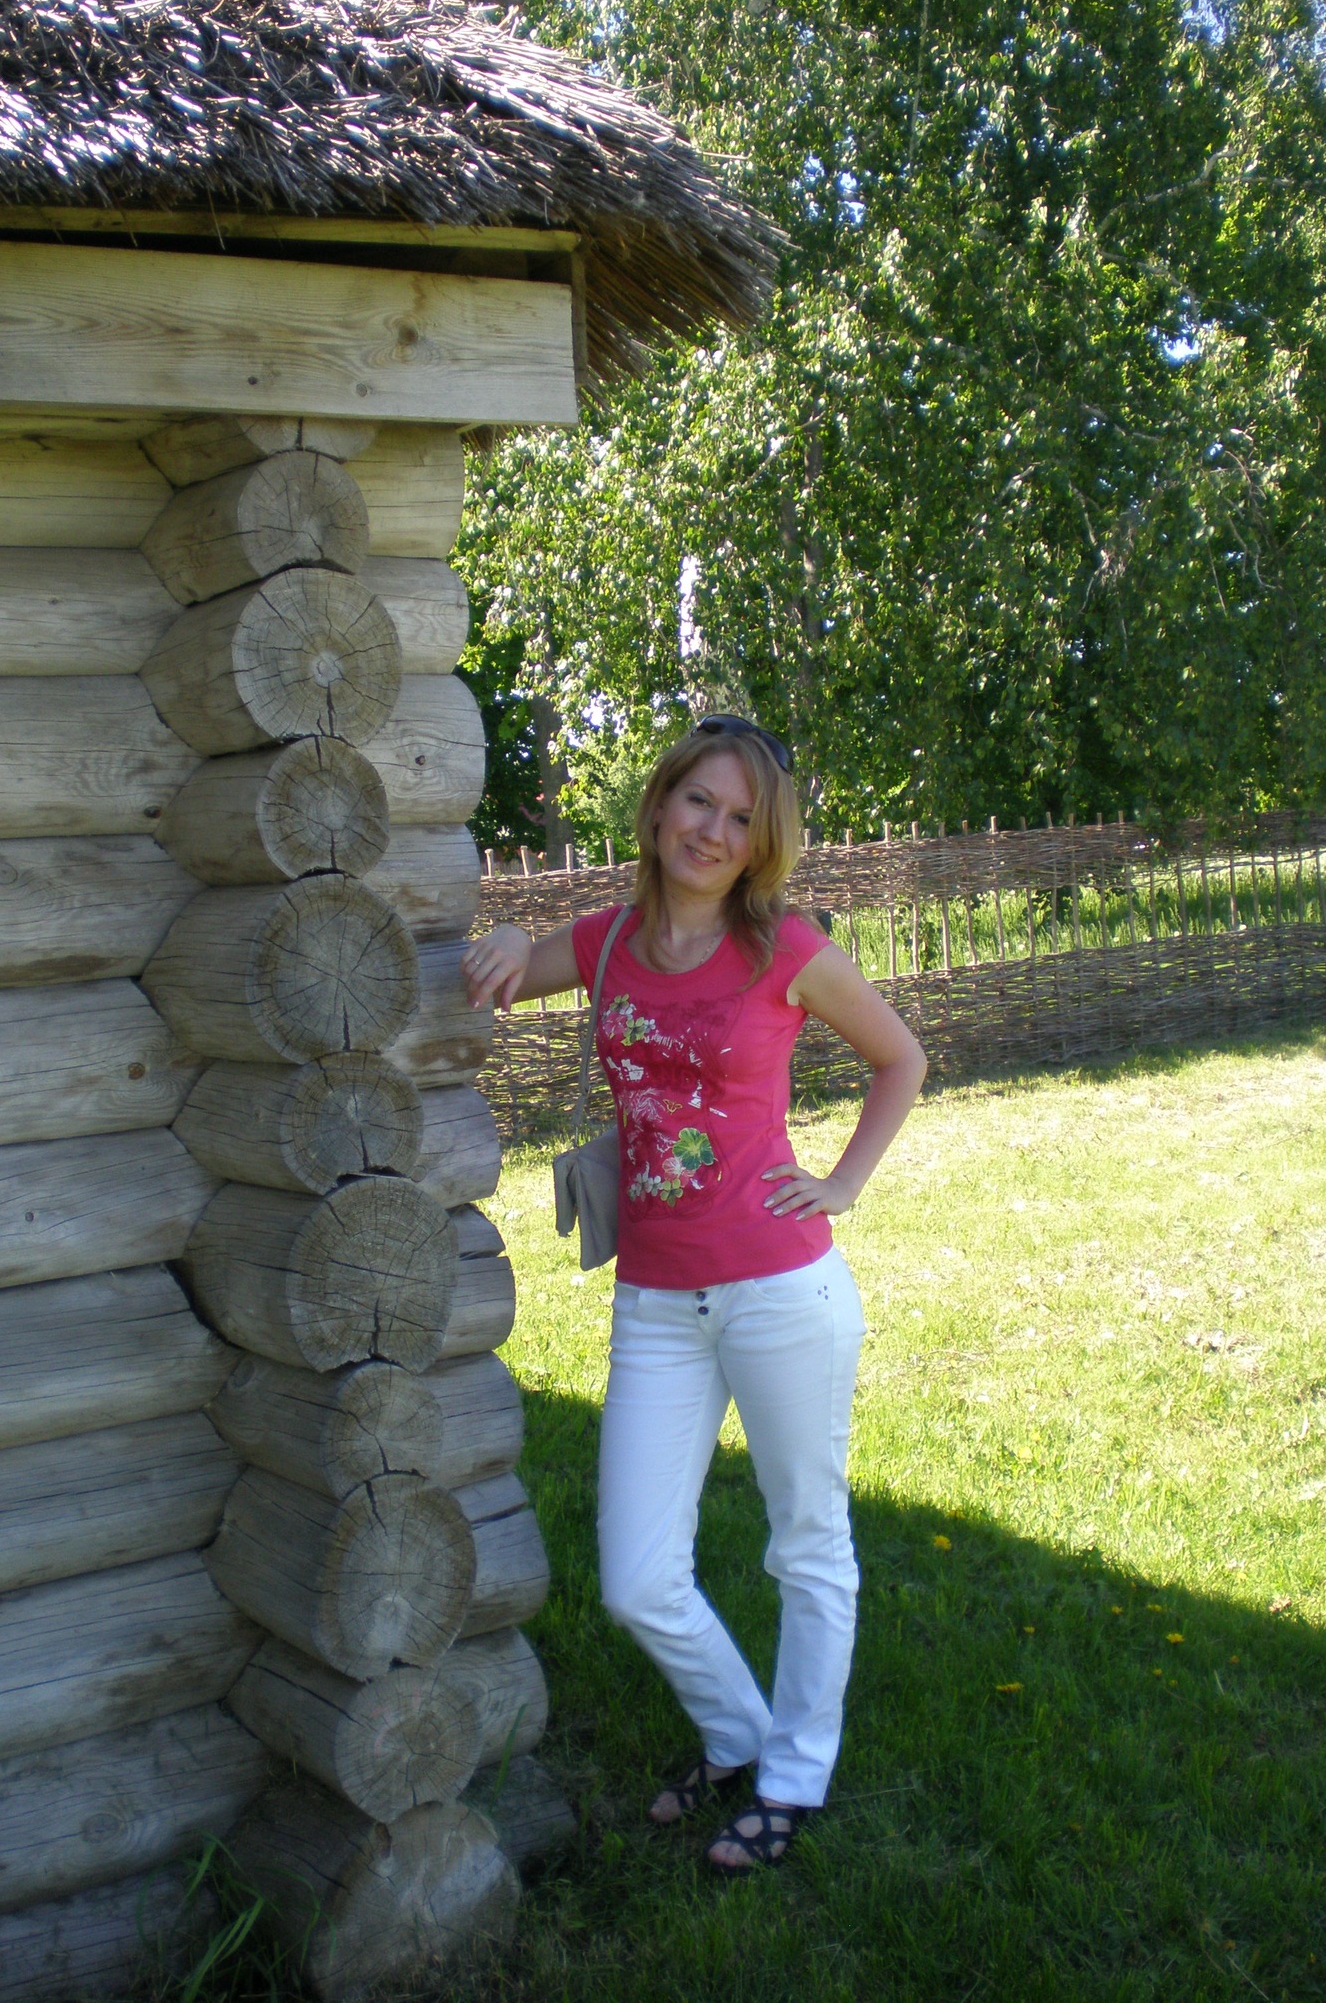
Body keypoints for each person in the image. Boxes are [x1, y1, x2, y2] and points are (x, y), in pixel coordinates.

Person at [459, 716, 927, 1874]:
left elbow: (901, 1057)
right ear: (660, 804)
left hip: (781, 1289)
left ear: (762, 842)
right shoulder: (612, 940)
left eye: (741, 817)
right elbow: (518, 958)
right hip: (657, 1299)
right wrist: (507, 934)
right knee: (635, 1577)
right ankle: (739, 1733)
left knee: (807, 1541)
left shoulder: (786, 947)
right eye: (699, 801)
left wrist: (841, 1184)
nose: (714, 830)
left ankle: (793, 1774)